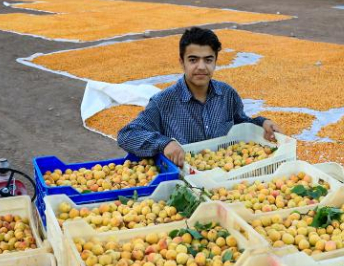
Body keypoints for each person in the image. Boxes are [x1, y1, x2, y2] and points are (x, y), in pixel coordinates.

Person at [117, 27, 281, 167]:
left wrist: (261, 123)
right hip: (185, 179)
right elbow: (127, 135)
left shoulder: (227, 94)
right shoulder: (163, 102)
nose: (201, 67)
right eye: (193, 60)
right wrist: (164, 143)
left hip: (227, 173)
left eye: (208, 60)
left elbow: (240, 123)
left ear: (216, 61)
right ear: (182, 62)